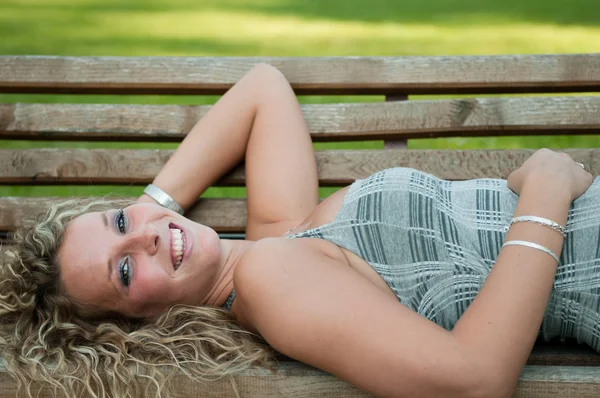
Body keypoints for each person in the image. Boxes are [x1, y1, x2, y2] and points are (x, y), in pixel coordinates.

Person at [2, 63, 598, 398]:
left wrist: (147, 214)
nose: (144, 238)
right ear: (141, 323)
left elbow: (262, 89)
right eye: (125, 271)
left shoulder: (279, 237)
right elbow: (474, 381)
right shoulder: (270, 280)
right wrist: (546, 187)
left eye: (119, 223)